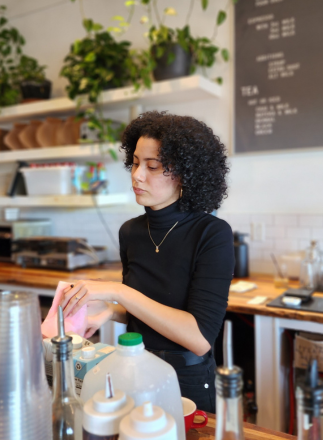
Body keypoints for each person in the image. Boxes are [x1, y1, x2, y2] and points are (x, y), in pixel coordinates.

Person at [61, 111, 234, 413]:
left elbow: (199, 338)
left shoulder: (212, 233)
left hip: (188, 384)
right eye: (136, 162)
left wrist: (118, 292)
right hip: (136, 369)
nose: (137, 175)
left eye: (152, 166)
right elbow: (146, 311)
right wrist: (109, 314)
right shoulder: (131, 231)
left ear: (186, 173)